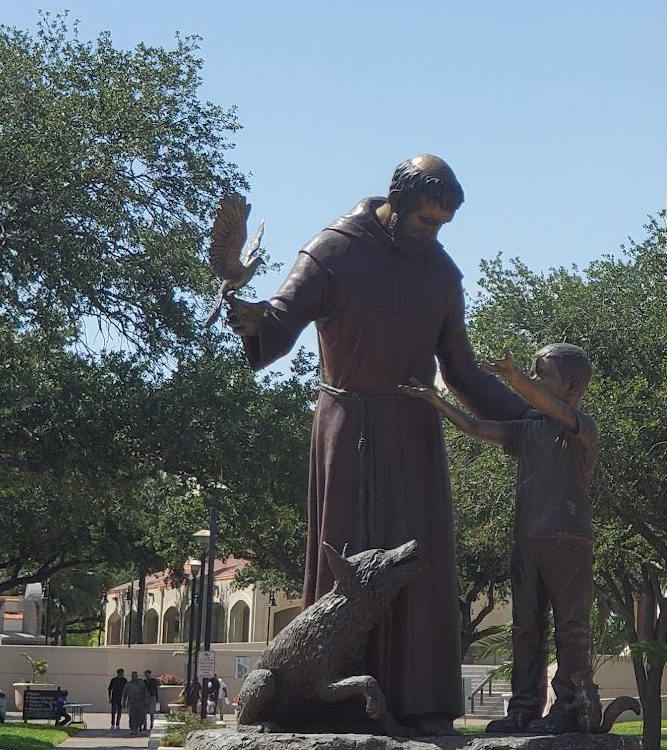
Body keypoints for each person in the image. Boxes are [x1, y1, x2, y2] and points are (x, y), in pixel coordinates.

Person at [226, 155, 531, 735]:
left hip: (414, 433)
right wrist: (253, 319)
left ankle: (420, 705)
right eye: (424, 220)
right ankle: (332, 703)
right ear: (397, 201)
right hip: (344, 425)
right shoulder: (334, 250)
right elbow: (283, 316)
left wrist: (529, 419)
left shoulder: (441, 275)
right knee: (346, 557)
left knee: (418, 563)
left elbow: (462, 370)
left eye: (441, 224)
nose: (431, 232)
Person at [401, 344, 599, 734]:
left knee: (572, 628)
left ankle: (571, 708)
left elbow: (549, 405)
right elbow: (476, 428)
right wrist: (435, 401)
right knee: (526, 628)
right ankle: (524, 708)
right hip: (526, 541)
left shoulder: (581, 427)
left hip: (569, 541)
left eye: (543, 375)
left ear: (572, 387)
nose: (535, 383)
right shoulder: (526, 430)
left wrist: (513, 378)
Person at [123, 670, 149, 736]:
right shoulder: (128, 684)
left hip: (140, 703)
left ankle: (137, 729)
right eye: (133, 676)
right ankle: (132, 729)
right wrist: (124, 703)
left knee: (139, 717)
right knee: (132, 717)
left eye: (135, 676)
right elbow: (125, 694)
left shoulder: (141, 684)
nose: (134, 678)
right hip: (132, 703)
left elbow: (145, 693)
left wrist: (146, 702)